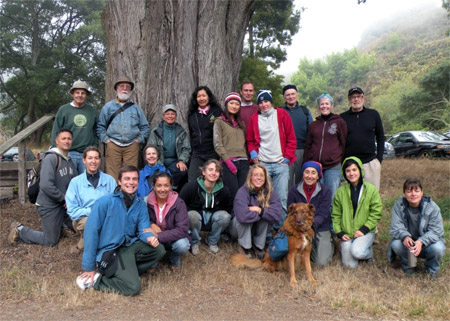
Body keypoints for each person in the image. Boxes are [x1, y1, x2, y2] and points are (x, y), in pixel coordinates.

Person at [77, 165, 166, 296]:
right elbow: (91, 233)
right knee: (133, 287)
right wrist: (89, 267)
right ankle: (98, 280)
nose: (131, 182)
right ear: (119, 181)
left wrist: (149, 237)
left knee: (159, 250)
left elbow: (144, 229)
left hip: (129, 246)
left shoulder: (140, 204)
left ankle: (128, 272)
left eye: (135, 179)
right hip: (110, 251)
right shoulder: (104, 202)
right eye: (127, 179)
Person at [8, 129, 77, 246]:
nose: (67, 141)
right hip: (49, 205)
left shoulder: (69, 161)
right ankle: (19, 230)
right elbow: (46, 185)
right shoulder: (51, 158)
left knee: (80, 229)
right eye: (63, 138)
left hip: (63, 205)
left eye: (69, 139)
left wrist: (70, 200)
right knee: (50, 240)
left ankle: (61, 226)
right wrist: (64, 199)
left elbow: (74, 184)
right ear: (57, 141)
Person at [247, 89, 297, 230]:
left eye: (266, 101)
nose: (263, 104)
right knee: (263, 198)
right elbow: (250, 140)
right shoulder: (254, 119)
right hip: (263, 164)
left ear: (271, 102)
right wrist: (253, 154)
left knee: (281, 197)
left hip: (280, 163)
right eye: (261, 102)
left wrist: (287, 157)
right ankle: (266, 231)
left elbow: (291, 138)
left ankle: (280, 229)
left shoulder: (281, 114)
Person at [387, 178, 445, 279]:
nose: (413, 194)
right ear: (404, 193)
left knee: (438, 248)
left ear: (422, 192)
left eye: (416, 191)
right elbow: (396, 227)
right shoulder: (399, 205)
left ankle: (432, 270)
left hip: (426, 243)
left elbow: (437, 230)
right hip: (408, 243)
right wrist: (405, 237)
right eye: (409, 191)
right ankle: (409, 266)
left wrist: (421, 241)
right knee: (396, 244)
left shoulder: (433, 207)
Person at [331, 157, 382, 269]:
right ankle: (353, 248)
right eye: (348, 171)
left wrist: (364, 229)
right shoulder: (340, 192)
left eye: (354, 170)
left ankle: (368, 253)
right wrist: (339, 232)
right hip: (347, 233)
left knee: (357, 252)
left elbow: (376, 212)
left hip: (365, 231)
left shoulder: (371, 189)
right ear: (344, 173)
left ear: (360, 170)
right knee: (350, 266)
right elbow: (335, 214)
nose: (351, 173)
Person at [97, 76, 150, 181]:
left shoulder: (136, 109)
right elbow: (100, 126)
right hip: (113, 145)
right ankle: (114, 195)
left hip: (131, 146)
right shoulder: (108, 107)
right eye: (122, 86)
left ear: (130, 90)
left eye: (127, 87)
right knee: (112, 175)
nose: (124, 89)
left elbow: (145, 127)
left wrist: (138, 140)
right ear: (117, 89)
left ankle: (128, 196)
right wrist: (106, 140)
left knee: (130, 174)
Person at [65, 146, 116, 253]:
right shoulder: (75, 182)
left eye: (96, 158)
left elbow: (116, 204)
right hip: (83, 220)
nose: (93, 161)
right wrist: (94, 211)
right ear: (84, 160)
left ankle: (87, 244)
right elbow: (72, 210)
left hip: (107, 218)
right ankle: (88, 245)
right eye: (90, 158)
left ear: (100, 160)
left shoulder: (110, 180)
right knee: (91, 223)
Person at [179, 159, 232, 255]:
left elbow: (228, 208)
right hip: (196, 218)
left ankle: (212, 241)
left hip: (213, 218)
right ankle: (195, 241)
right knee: (192, 215)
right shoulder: (191, 187)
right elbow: (180, 203)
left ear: (219, 174)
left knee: (225, 216)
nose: (213, 173)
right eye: (210, 169)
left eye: (217, 171)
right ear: (203, 172)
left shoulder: (224, 190)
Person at [229, 164, 282, 259]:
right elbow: (242, 216)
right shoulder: (243, 191)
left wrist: (260, 210)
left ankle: (258, 246)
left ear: (265, 178)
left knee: (265, 216)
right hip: (237, 229)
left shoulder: (270, 193)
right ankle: (244, 246)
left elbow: (277, 216)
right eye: (255, 175)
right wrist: (263, 213)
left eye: (261, 175)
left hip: (254, 227)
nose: (259, 178)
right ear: (251, 177)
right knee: (247, 218)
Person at [287, 161, 334, 266]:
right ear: (303, 174)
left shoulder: (325, 191)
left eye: (313, 173)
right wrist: (300, 227)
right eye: (307, 172)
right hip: (298, 228)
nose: (309, 176)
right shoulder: (293, 191)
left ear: (318, 176)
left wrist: (309, 225)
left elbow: (323, 214)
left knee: (321, 262)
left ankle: (329, 244)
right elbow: (290, 213)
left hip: (320, 227)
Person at [340, 87, 385, 190]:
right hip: (350, 164)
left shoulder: (373, 114)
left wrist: (379, 159)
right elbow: (339, 141)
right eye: (353, 97)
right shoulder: (342, 118)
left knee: (372, 196)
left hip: (370, 162)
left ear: (363, 98)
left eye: (358, 97)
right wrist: (342, 161)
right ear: (349, 99)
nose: (356, 99)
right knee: (351, 198)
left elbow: (381, 137)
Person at [304, 92, 347, 198]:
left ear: (331, 106)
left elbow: (344, 143)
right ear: (319, 106)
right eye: (322, 104)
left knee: (331, 197)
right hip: (315, 167)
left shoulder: (339, 122)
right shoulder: (314, 125)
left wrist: (339, 159)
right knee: (316, 197)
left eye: (327, 104)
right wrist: (306, 164)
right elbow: (308, 145)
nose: (324, 106)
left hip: (333, 166)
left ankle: (331, 215)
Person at [146, 172, 191, 270]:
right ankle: (154, 259)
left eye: (166, 185)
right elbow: (141, 220)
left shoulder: (179, 203)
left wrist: (159, 235)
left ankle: (174, 258)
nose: (162, 189)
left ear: (171, 186)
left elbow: (182, 229)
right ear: (153, 186)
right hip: (153, 237)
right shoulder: (146, 201)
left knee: (183, 245)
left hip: (172, 238)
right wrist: (151, 224)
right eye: (159, 185)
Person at [51, 80, 98, 174]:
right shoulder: (64, 110)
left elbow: (96, 130)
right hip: (68, 152)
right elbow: (56, 129)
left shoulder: (92, 111)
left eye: (83, 93)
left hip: (86, 153)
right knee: (67, 181)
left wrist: (94, 147)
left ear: (86, 95)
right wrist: (55, 148)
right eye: (77, 92)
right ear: (72, 94)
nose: (80, 95)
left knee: (86, 182)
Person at [213, 92, 249, 198]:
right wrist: (228, 162)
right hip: (228, 162)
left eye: (237, 104)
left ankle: (242, 215)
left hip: (243, 162)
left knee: (244, 194)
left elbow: (245, 144)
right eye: (231, 103)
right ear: (226, 104)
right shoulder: (219, 121)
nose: (234, 106)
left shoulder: (241, 124)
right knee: (233, 194)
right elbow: (217, 144)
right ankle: (232, 214)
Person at [147, 104, 191, 191]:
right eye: (167, 114)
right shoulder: (156, 131)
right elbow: (150, 148)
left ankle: (171, 189)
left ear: (175, 116)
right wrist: (159, 164)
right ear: (163, 116)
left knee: (182, 170)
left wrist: (182, 160)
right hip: (159, 162)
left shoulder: (180, 131)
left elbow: (186, 148)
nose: (170, 116)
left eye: (172, 114)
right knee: (157, 173)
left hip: (174, 162)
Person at [187, 86, 222, 182]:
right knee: (192, 181)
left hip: (212, 153)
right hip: (197, 154)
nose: (201, 98)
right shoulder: (192, 115)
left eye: (204, 95)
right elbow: (191, 133)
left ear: (209, 97)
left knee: (212, 180)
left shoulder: (217, 112)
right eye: (199, 96)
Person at [282, 84, 313, 188]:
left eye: (293, 94)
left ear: (297, 95)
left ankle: (301, 203)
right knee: (287, 180)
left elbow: (311, 130)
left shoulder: (305, 111)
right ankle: (288, 203)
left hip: (302, 150)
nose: (291, 97)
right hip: (285, 152)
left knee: (302, 180)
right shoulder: (280, 112)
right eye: (288, 95)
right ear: (284, 97)